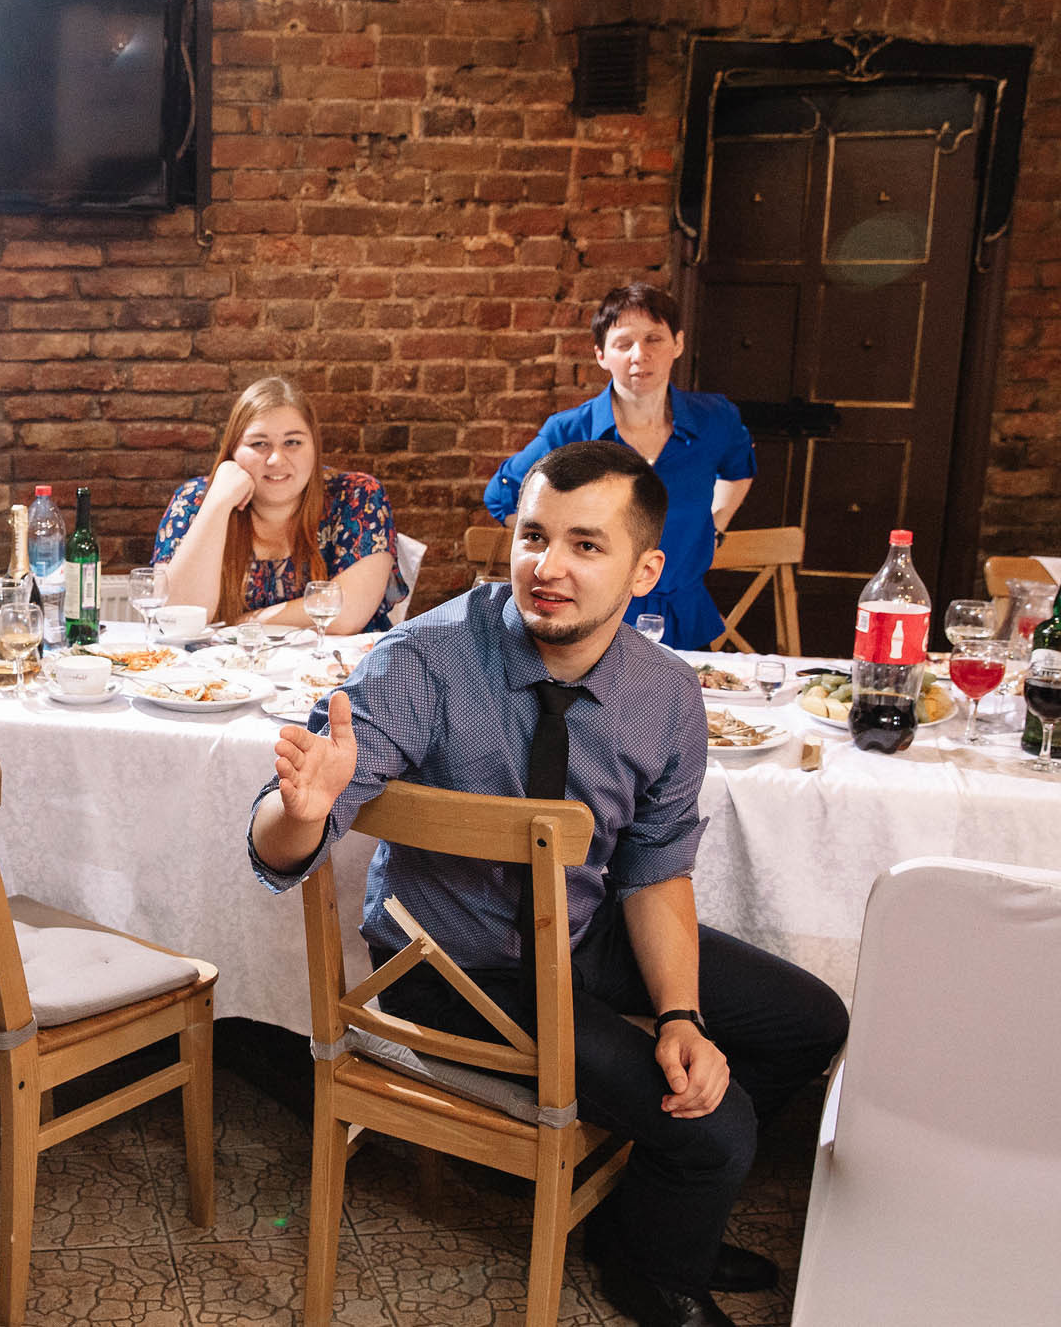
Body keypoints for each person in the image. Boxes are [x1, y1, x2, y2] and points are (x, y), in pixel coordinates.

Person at [250, 443, 846, 1327]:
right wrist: (303, 810)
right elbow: (278, 840)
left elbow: (653, 866)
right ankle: (653, 1266)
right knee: (719, 1129)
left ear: (646, 569)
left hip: (582, 925)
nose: (548, 567)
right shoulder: (426, 660)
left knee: (811, 1021)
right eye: (533, 536)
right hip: (447, 968)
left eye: (585, 545)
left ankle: (655, 1211)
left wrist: (679, 1014)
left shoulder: (666, 694)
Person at [483, 283, 755, 651]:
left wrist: (716, 525)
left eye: (653, 340)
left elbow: (739, 469)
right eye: (623, 344)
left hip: (683, 615)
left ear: (678, 343)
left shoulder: (716, 419)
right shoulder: (570, 430)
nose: (639, 355)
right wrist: (558, 542)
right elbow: (501, 495)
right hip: (594, 618)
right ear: (601, 355)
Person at [153, 376, 408, 635]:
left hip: (340, 672)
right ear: (233, 451)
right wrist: (216, 504)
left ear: (315, 447)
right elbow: (174, 616)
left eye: (292, 442)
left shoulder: (356, 496)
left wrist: (244, 624)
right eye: (259, 444)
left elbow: (346, 614)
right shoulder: (194, 499)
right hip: (225, 672)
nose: (276, 459)